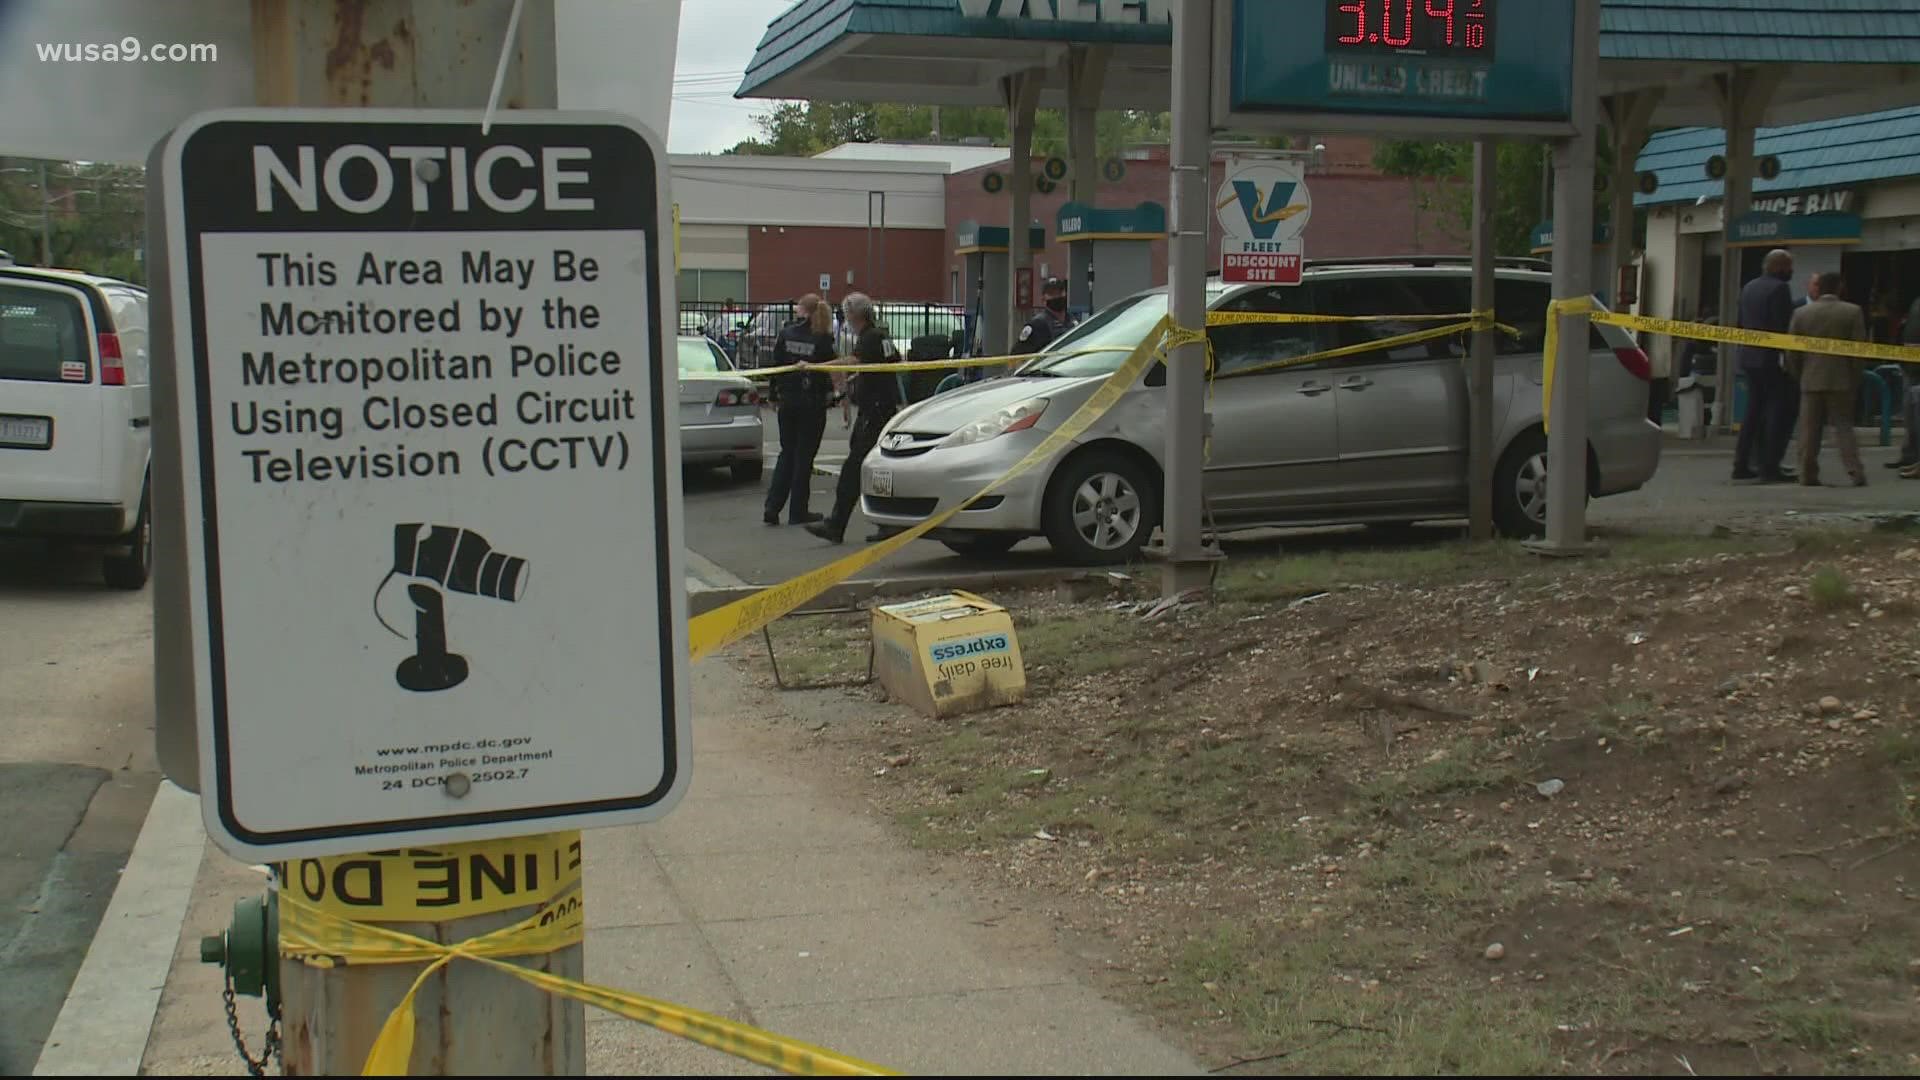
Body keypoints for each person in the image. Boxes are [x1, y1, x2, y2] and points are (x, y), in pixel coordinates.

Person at [808, 292, 900, 545]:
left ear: (854, 314)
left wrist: (820, 366)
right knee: (874, 468)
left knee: (854, 469)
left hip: (876, 413)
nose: (845, 318)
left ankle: (837, 524)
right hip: (877, 410)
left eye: (847, 313)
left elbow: (856, 361)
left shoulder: (870, 338)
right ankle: (888, 523)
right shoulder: (881, 336)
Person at [1785, 271, 1869, 488]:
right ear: (1839, 287)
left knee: (1809, 429)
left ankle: (1807, 474)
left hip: (1810, 379)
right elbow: (1858, 350)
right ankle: (1855, 471)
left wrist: (1799, 374)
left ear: (1818, 288)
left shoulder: (1801, 313)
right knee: (1843, 427)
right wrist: (1855, 377)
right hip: (1841, 379)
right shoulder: (1852, 312)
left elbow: (1792, 351)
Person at [762, 295, 835, 526]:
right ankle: (798, 511)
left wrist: (773, 396)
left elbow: (777, 367)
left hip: (788, 402)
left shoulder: (787, 334)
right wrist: (834, 397)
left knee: (787, 453)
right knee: (804, 458)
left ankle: (772, 507)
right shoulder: (822, 338)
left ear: (802, 310)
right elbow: (829, 372)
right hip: (811, 404)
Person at [1731, 249, 1798, 483]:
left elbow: (1740, 322)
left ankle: (1741, 464)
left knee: (1752, 412)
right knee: (1776, 412)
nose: (1791, 271)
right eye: (1789, 267)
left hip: (1749, 357)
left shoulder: (1749, 287)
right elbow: (1783, 327)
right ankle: (1769, 466)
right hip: (1770, 359)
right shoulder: (1780, 289)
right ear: (1780, 267)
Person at [1014, 276, 1075, 355]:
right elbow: (1017, 355)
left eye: (1059, 292)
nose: (1057, 296)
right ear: (1043, 299)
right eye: (1052, 294)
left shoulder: (1073, 321)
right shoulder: (1037, 325)